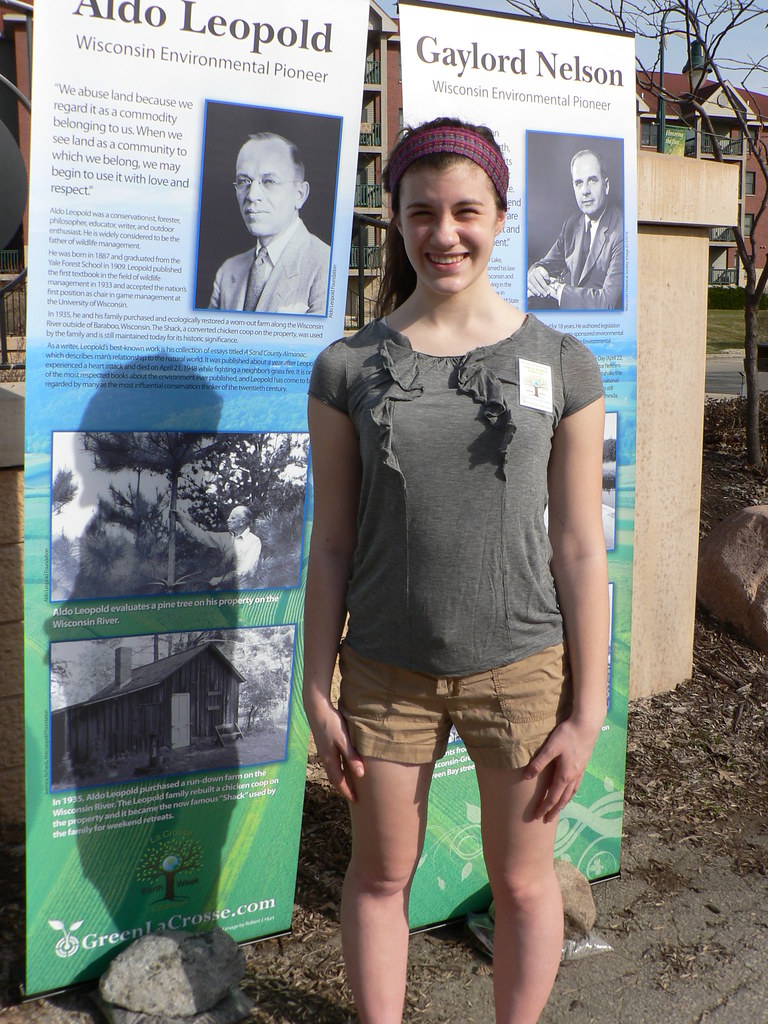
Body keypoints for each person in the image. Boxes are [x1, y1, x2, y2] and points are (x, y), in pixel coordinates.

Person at [304, 117, 609, 1024]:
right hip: (386, 674)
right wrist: (317, 692)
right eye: (421, 212)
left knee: (522, 885)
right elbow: (330, 543)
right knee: (379, 875)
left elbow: (581, 547)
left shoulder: (562, 362)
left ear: (501, 216)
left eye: (466, 211)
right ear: (393, 220)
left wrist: (587, 710)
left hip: (522, 672)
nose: (445, 233)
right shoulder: (346, 367)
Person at [209, 132, 330, 315]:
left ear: (299, 194)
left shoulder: (326, 265)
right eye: (244, 181)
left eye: (269, 181)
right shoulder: (227, 271)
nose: (252, 195)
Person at [527, 148, 623, 311]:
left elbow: (607, 302)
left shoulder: (621, 231)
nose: (585, 191)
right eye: (579, 183)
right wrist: (535, 273)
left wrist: (558, 290)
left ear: (606, 185)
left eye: (592, 180)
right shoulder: (572, 224)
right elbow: (547, 264)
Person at [176, 504, 261, 589]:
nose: (228, 520)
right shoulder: (225, 538)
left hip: (244, 590)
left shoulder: (254, 541)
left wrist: (221, 579)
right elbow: (201, 536)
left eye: (233, 518)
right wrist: (181, 520)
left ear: (242, 522)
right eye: (229, 517)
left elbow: (247, 570)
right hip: (222, 588)